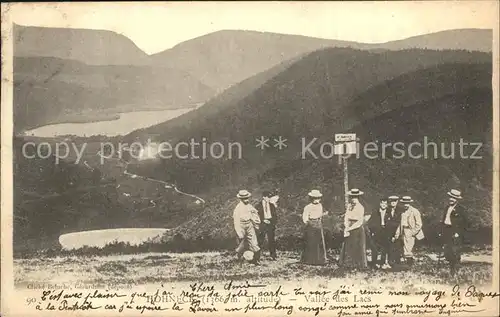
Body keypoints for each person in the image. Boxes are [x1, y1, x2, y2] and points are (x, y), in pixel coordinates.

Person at [439, 189, 467, 276]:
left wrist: (458, 232)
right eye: (450, 197)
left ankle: (455, 271)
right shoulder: (447, 207)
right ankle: (452, 267)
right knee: (447, 251)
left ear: (457, 199)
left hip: (454, 232)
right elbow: (444, 220)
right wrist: (441, 231)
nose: (451, 199)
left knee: (455, 251)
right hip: (446, 230)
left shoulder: (461, 209)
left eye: (453, 198)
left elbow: (464, 223)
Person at [339, 188, 368, 270]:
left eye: (355, 197)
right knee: (349, 244)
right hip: (349, 226)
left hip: (357, 228)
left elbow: (359, 221)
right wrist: (346, 227)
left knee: (357, 245)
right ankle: (348, 263)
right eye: (352, 197)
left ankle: (357, 264)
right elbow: (346, 217)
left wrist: (350, 229)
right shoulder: (349, 206)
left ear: (358, 198)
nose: (353, 199)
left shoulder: (361, 207)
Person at [393, 196, 424, 267]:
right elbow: (400, 223)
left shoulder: (415, 211)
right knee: (403, 247)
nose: (405, 205)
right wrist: (397, 233)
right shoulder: (402, 212)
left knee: (408, 247)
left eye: (407, 203)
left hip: (410, 231)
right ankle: (405, 263)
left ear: (410, 203)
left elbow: (419, 224)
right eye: (404, 203)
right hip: (403, 230)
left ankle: (409, 264)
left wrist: (412, 232)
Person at [233, 190, 261, 265]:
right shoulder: (238, 208)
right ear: (241, 199)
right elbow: (236, 221)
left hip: (249, 225)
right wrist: (239, 231)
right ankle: (241, 260)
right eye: (244, 198)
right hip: (241, 225)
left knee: (254, 242)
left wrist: (255, 222)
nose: (246, 200)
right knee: (241, 242)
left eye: (247, 198)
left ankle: (256, 260)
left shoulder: (249, 206)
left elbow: (255, 214)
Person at [301, 189, 328, 265]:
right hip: (311, 224)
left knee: (319, 241)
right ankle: (310, 260)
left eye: (318, 198)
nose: (316, 200)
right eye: (314, 198)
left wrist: (320, 218)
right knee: (311, 242)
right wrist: (308, 223)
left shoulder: (320, 206)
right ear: (311, 198)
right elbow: (305, 217)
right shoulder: (308, 207)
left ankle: (320, 259)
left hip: (318, 224)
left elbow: (320, 215)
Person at [368, 198, 391, 269]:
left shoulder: (389, 212)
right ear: (380, 204)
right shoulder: (375, 212)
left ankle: (382, 263)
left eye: (385, 204)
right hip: (377, 231)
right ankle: (374, 263)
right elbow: (370, 223)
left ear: (387, 205)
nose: (383, 205)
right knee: (375, 248)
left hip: (385, 231)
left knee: (384, 248)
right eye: (382, 203)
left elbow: (391, 223)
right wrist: (372, 231)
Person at [255, 190, 278, 260]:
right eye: (268, 197)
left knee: (271, 240)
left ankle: (273, 256)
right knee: (260, 240)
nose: (269, 198)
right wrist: (263, 220)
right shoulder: (258, 205)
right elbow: (256, 216)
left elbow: (275, 216)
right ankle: (256, 257)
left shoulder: (272, 205)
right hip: (262, 224)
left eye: (270, 197)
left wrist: (272, 223)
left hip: (270, 224)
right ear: (264, 197)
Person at [387, 195, 403, 266]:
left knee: (397, 245)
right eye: (391, 201)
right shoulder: (387, 210)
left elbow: (400, 221)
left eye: (394, 201)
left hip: (398, 230)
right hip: (389, 231)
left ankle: (397, 261)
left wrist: (397, 232)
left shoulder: (400, 210)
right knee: (390, 246)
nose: (393, 203)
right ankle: (390, 261)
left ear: (397, 202)